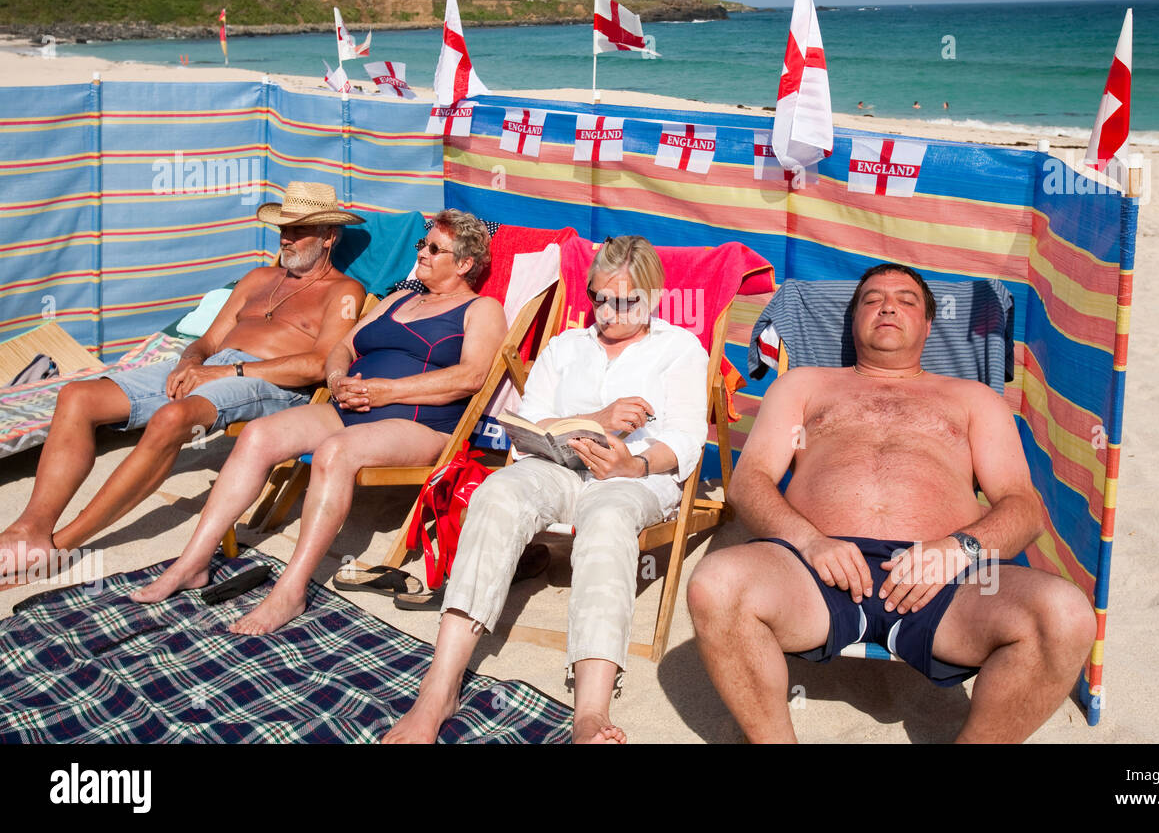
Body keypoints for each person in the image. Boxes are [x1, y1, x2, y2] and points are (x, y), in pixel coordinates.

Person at [686, 263, 1096, 743]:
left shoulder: (974, 399)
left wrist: (957, 551)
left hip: (947, 577)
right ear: (853, 318)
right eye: (872, 299)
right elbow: (749, 482)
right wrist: (810, 542)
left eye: (907, 300)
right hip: (811, 570)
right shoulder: (803, 386)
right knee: (715, 583)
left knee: (1065, 615)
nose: (887, 306)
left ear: (928, 323)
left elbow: (1022, 507)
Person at [384, 235, 708, 744]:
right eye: (599, 297)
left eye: (626, 300)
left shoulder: (679, 348)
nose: (609, 311)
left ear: (655, 297)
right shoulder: (566, 346)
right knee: (497, 494)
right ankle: (439, 687)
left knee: (606, 520)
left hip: (634, 477)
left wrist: (634, 462)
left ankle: (590, 713)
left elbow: (687, 439)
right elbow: (528, 422)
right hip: (556, 464)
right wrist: (594, 421)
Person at [131, 209, 508, 634]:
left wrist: (389, 391)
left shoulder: (481, 309)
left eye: (434, 248)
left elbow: (472, 375)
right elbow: (343, 347)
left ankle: (291, 590)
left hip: (420, 420)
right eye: (423, 244)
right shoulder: (398, 299)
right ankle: (192, 563)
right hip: (350, 405)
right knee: (257, 436)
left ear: (463, 264)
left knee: (334, 453)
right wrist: (337, 378)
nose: (421, 252)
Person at [0, 182, 365, 584]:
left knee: (174, 417)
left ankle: (62, 543)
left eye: (299, 230)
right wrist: (189, 362)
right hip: (216, 368)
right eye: (284, 228)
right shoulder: (258, 277)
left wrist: (224, 372)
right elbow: (207, 341)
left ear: (329, 236)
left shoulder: (345, 291)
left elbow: (318, 364)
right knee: (77, 396)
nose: (286, 238)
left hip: (271, 380)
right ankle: (31, 528)